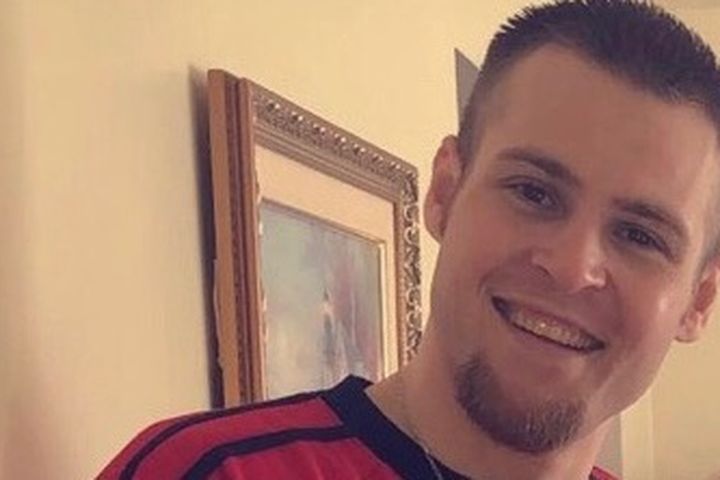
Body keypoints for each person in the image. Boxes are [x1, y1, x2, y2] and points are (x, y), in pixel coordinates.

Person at [99, 1, 720, 479]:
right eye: (534, 192)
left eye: (640, 234)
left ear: (699, 300)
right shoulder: (202, 472)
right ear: (445, 191)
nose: (571, 266)